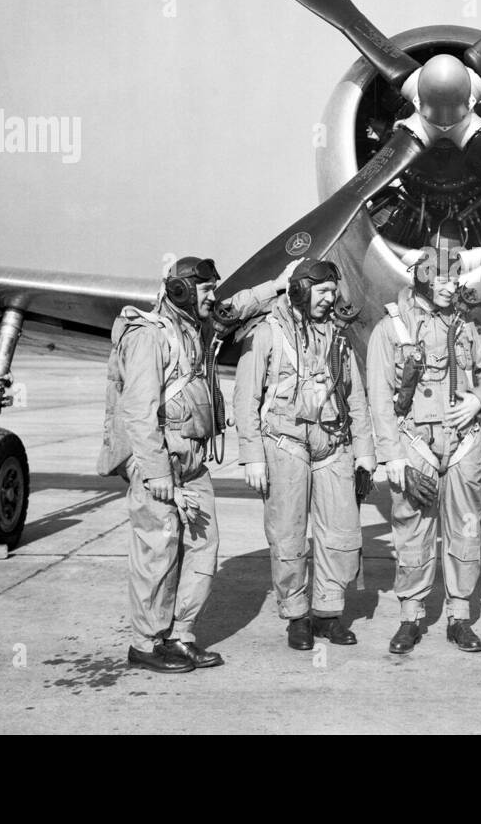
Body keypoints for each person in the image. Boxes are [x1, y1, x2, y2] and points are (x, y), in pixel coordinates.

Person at [97, 256, 295, 672]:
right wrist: (154, 472)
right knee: (158, 551)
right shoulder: (149, 337)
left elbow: (233, 309)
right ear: (181, 291)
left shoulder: (198, 326)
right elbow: (137, 412)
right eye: (205, 291)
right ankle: (146, 644)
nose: (212, 298)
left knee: (205, 547)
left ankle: (180, 635)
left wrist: (278, 285)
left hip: (192, 460)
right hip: (160, 460)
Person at [366, 233, 481, 654]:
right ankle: (411, 616)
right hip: (415, 446)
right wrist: (392, 458)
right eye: (444, 279)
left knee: (466, 529)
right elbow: (379, 398)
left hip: (463, 443)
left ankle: (459, 615)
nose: (452, 286)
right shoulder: (390, 329)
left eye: (455, 278)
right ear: (425, 279)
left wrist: (477, 400)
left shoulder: (468, 325)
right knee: (411, 530)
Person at [234, 259, 376, 650]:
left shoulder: (339, 338)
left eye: (333, 292)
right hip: (284, 445)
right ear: (298, 290)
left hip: (333, 445)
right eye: (322, 291)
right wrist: (252, 458)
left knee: (341, 534)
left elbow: (355, 397)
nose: (329, 299)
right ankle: (296, 615)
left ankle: (328, 614)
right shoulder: (266, 333)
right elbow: (247, 399)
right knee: (288, 535)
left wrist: (365, 451)